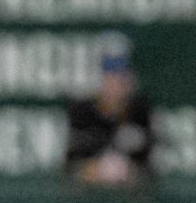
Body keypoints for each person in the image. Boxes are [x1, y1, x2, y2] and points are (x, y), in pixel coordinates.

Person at [66, 48, 156, 187]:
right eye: (110, 79)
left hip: (129, 193)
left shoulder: (139, 111)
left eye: (121, 80)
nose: (115, 86)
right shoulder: (82, 112)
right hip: (88, 195)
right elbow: (71, 163)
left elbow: (148, 162)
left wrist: (128, 171)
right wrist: (94, 170)